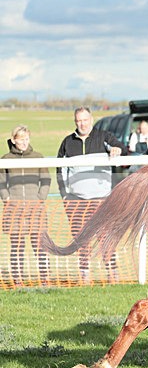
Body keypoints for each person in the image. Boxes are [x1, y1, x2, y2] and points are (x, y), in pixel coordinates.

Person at [56, 106, 127, 284]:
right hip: (77, 201)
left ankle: (112, 273)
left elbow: (122, 149)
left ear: (91, 119)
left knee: (105, 237)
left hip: (101, 199)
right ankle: (84, 275)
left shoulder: (104, 137)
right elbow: (60, 170)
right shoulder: (67, 142)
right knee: (82, 239)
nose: (82, 124)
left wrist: (117, 150)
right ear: (75, 122)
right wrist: (65, 195)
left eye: (85, 120)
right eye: (78, 120)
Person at [0, 125, 51, 287]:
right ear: (14, 140)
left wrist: (40, 197)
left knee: (39, 246)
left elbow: (46, 179)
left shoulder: (38, 157)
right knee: (17, 246)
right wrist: (6, 198)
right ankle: (18, 280)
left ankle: (45, 279)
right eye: (21, 139)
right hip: (14, 209)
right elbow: (1, 182)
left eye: (26, 139)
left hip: (35, 208)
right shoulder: (6, 159)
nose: (24, 142)